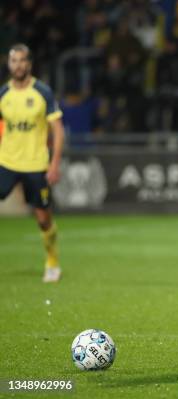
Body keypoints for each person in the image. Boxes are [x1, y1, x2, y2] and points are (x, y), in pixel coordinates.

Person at [0, 43, 65, 283]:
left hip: (36, 164)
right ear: (9, 64)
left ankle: (52, 261)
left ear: (30, 63)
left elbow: (57, 131)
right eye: (14, 60)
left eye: (22, 60)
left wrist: (54, 164)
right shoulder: (3, 94)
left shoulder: (42, 92)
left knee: (43, 218)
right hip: (6, 161)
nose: (18, 65)